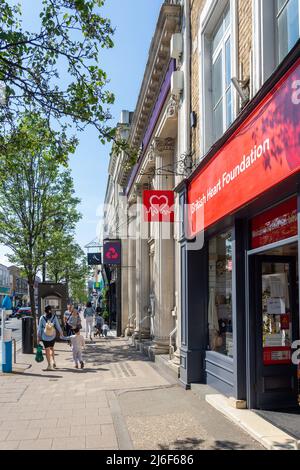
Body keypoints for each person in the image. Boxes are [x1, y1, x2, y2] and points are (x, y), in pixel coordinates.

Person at [37, 305, 63, 371]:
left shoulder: (42, 318)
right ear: (50, 310)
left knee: (47, 350)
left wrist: (38, 337)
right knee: (51, 348)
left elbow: (39, 329)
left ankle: (49, 365)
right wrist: (61, 332)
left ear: (44, 310)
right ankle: (53, 361)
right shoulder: (54, 317)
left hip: (45, 336)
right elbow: (57, 325)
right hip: (53, 335)